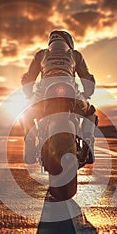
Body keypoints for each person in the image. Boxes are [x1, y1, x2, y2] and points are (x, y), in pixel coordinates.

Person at [20, 30, 97, 166]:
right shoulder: (75, 55)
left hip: (43, 95)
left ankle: (30, 143)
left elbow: (28, 79)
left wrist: (29, 95)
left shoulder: (41, 54)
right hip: (71, 93)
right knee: (90, 112)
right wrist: (87, 94)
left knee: (26, 114)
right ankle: (88, 142)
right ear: (69, 42)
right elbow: (87, 79)